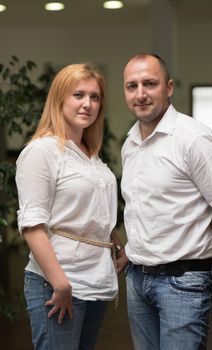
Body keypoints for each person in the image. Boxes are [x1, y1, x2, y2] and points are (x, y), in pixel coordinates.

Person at [121, 53, 212, 350]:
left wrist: (209, 249)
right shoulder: (130, 143)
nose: (140, 94)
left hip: (183, 283)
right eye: (132, 86)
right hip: (137, 279)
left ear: (169, 88)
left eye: (150, 83)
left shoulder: (193, 139)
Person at [15, 62, 126, 350]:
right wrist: (60, 284)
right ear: (59, 99)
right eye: (78, 95)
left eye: (95, 97)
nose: (88, 104)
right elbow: (32, 225)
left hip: (95, 279)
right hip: (59, 281)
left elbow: (90, 211)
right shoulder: (41, 152)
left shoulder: (91, 155)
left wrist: (115, 242)